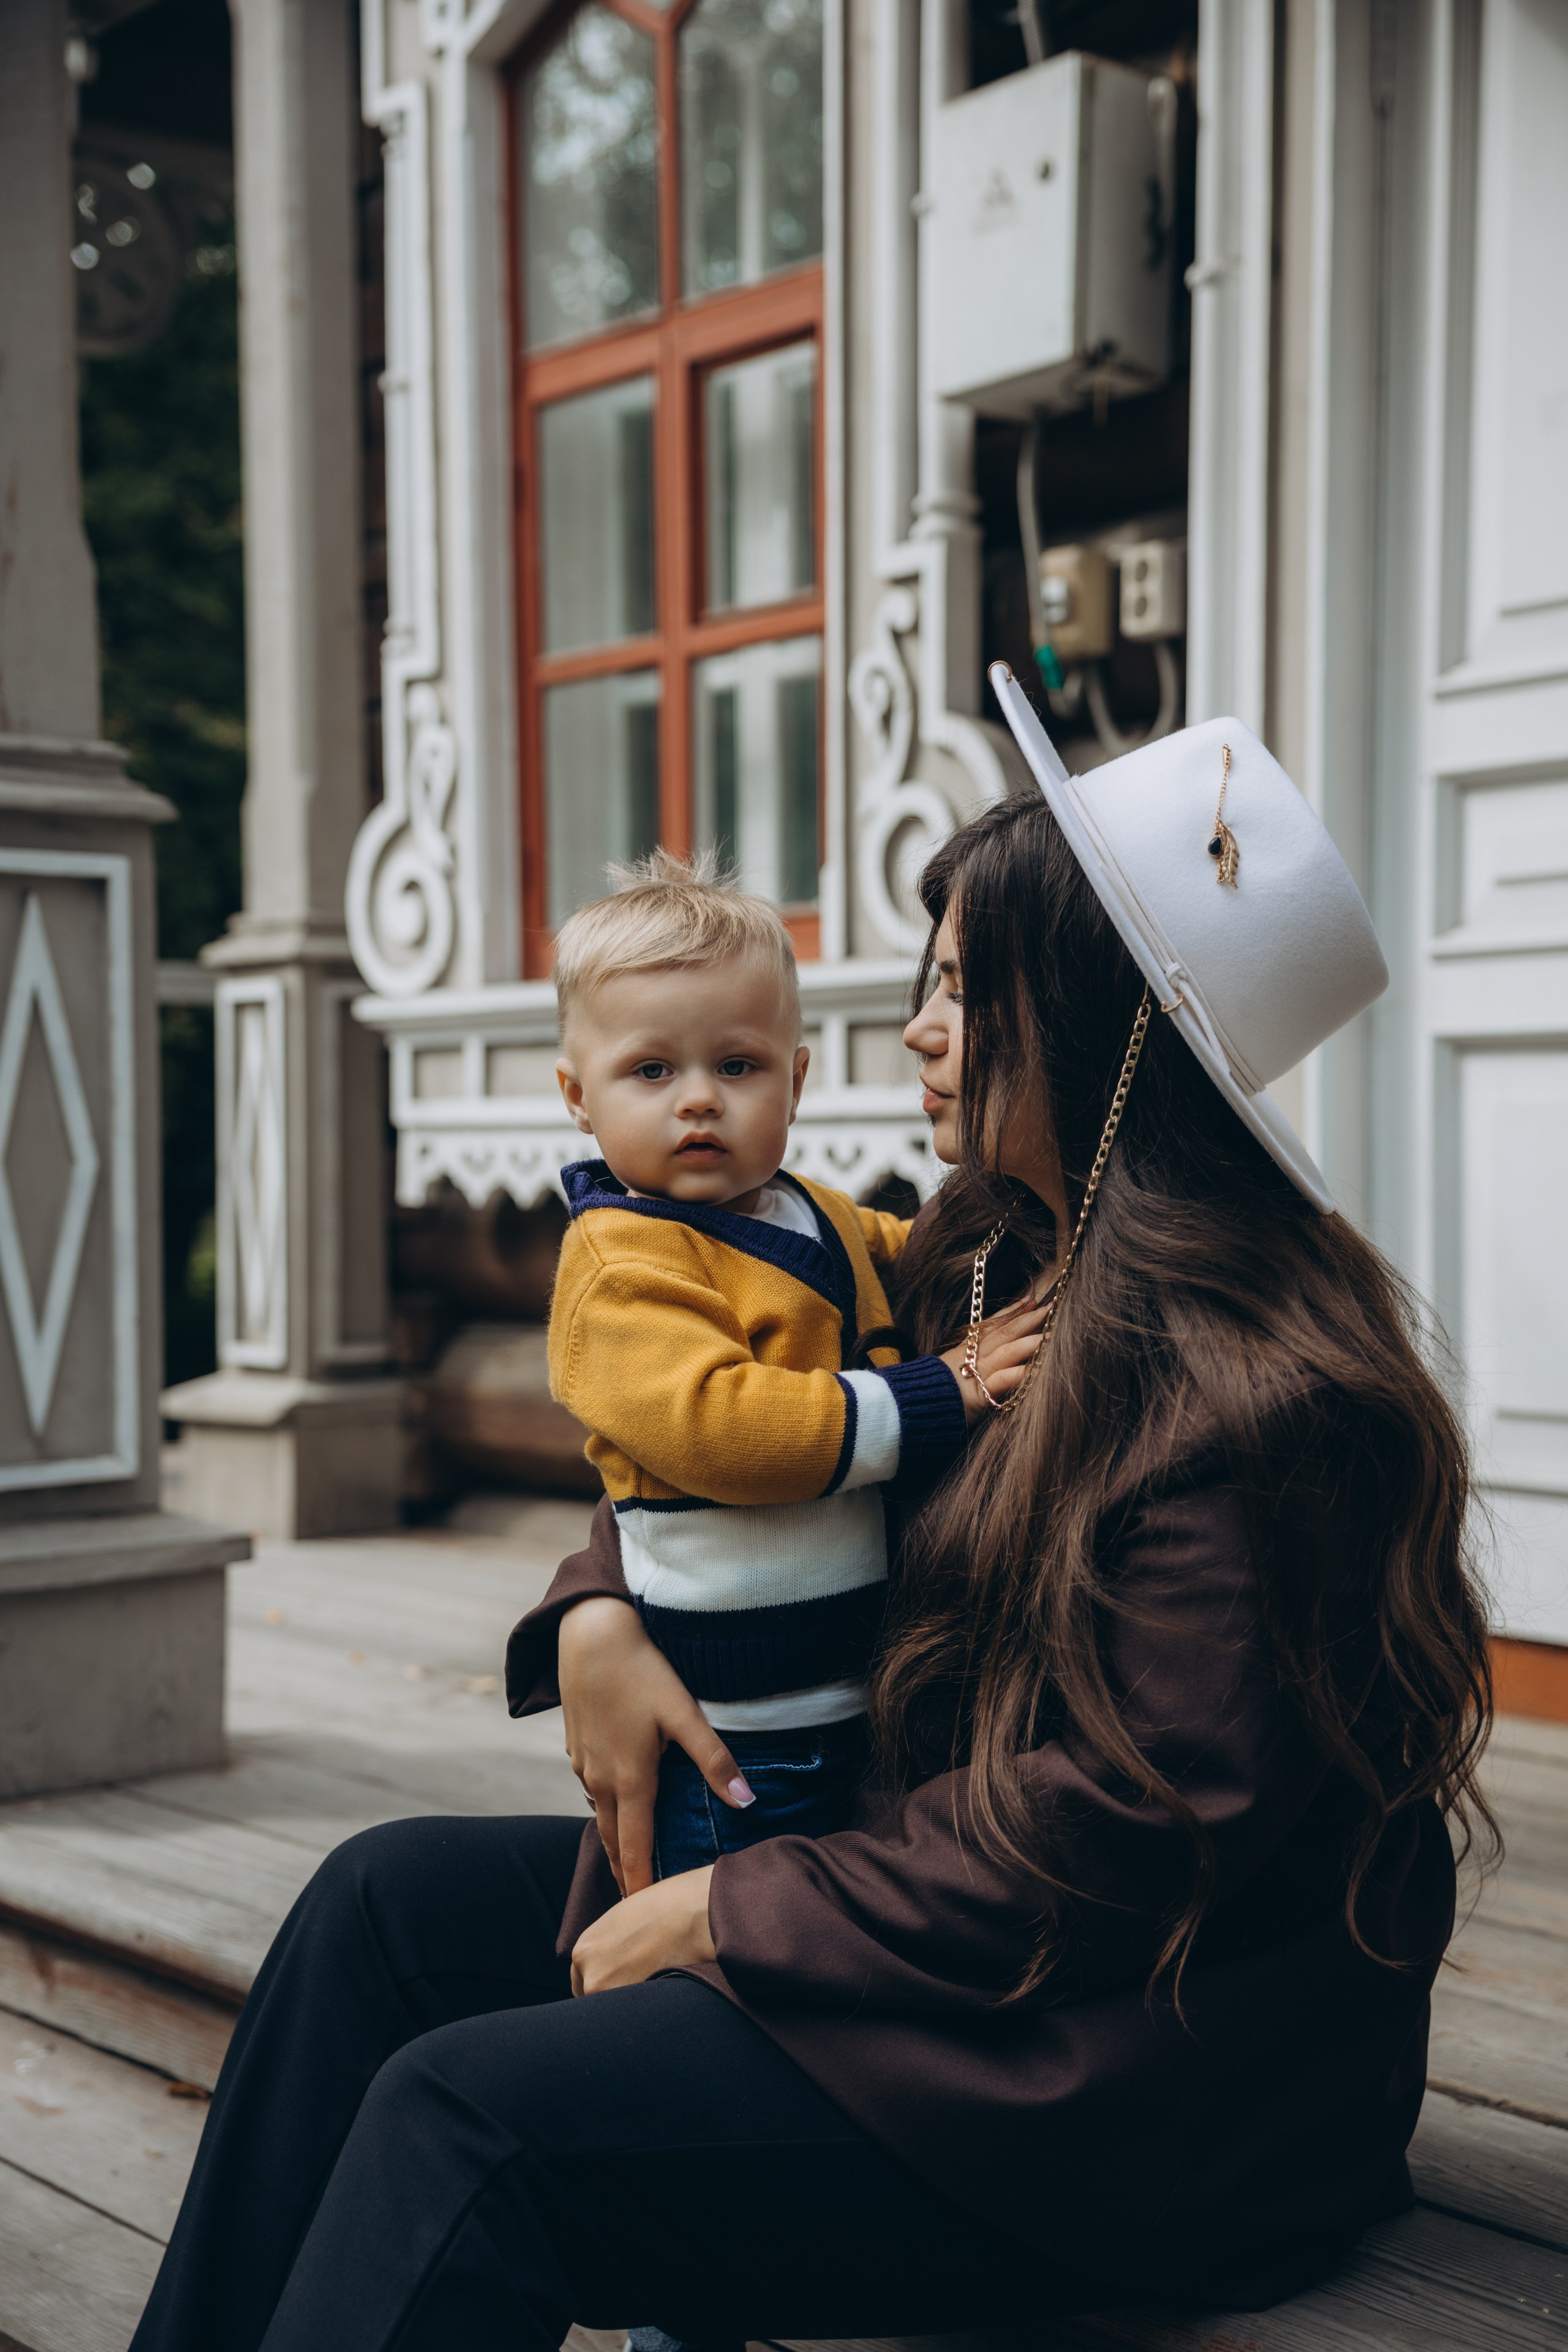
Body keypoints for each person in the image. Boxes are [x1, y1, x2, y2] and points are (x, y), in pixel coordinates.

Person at [130, 697, 1496, 2352]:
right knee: (378, 1906)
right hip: (912, 1906)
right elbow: (733, 1433)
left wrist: (728, 1911)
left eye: (964, 988)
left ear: (1100, 1023)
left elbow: (1135, 1830)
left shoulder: (1265, 1399)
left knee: (469, 2118)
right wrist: (597, 1611)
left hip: (1119, 2077)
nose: (919, 1028)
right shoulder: (977, 1264)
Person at [546, 851, 1042, 1876]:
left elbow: (914, 1263)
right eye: (652, 1071)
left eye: (737, 1067)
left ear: (797, 1077)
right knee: (719, 1917)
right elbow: (724, 1429)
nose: (698, 1102)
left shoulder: (808, 1209)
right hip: (730, 1723)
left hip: (851, 1695)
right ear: (576, 1095)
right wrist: (944, 1385)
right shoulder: (617, 1261)